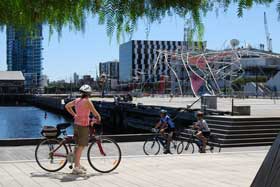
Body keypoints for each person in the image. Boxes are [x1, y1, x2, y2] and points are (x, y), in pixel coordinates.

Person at [65, 84, 101, 175]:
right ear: (89, 93)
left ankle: (78, 164)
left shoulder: (77, 100)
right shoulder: (87, 101)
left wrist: (74, 115)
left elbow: (67, 106)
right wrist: (98, 118)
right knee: (81, 146)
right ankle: (76, 168)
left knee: (78, 146)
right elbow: (94, 112)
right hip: (83, 126)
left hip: (76, 125)